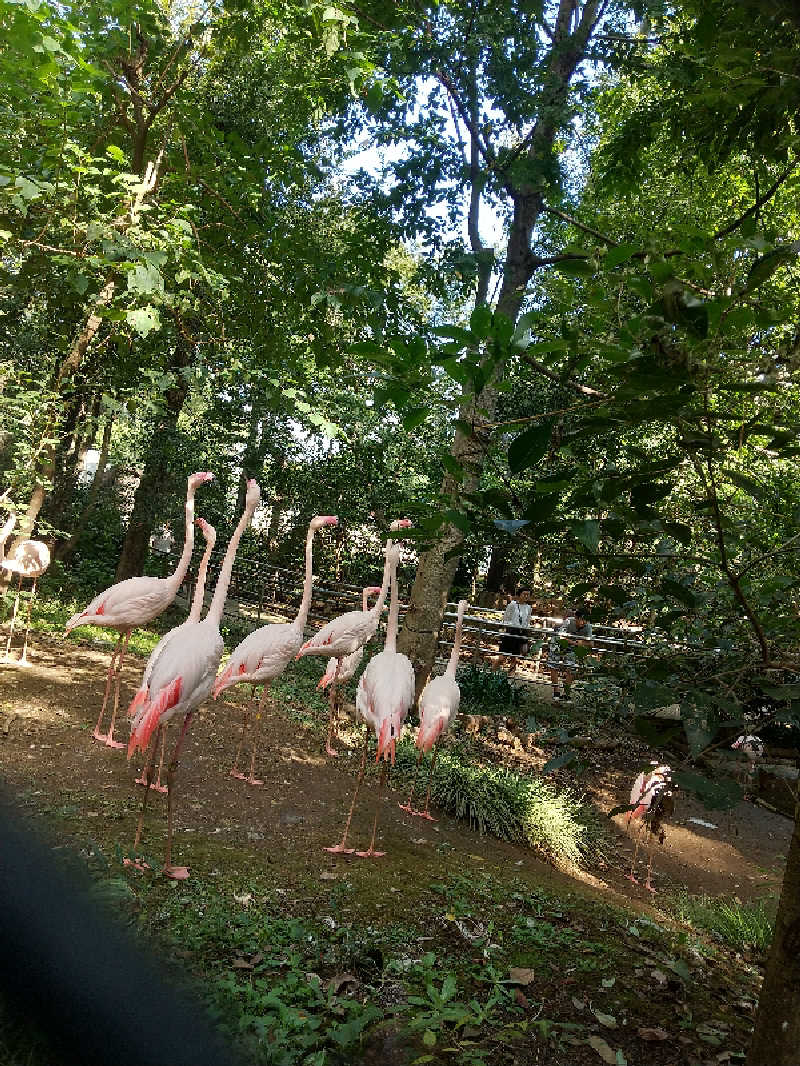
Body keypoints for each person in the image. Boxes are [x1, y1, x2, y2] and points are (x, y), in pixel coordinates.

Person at [548, 605, 592, 701]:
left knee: (572, 668)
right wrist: (577, 642)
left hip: (572, 648)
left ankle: (566, 693)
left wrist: (581, 643)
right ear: (576, 618)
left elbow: (590, 643)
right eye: (581, 619)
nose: (584, 622)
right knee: (553, 666)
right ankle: (556, 691)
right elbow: (561, 637)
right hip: (557, 644)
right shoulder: (569, 622)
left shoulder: (588, 626)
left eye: (586, 620)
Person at [499, 589, 532, 672]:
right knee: (502, 657)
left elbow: (527, 621)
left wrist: (526, 633)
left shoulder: (528, 607)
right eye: (524, 594)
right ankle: (491, 673)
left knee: (514, 657)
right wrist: (507, 628)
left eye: (528, 594)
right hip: (511, 631)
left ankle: (511, 676)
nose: (526, 596)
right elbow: (506, 618)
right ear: (519, 595)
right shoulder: (512, 604)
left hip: (521, 632)